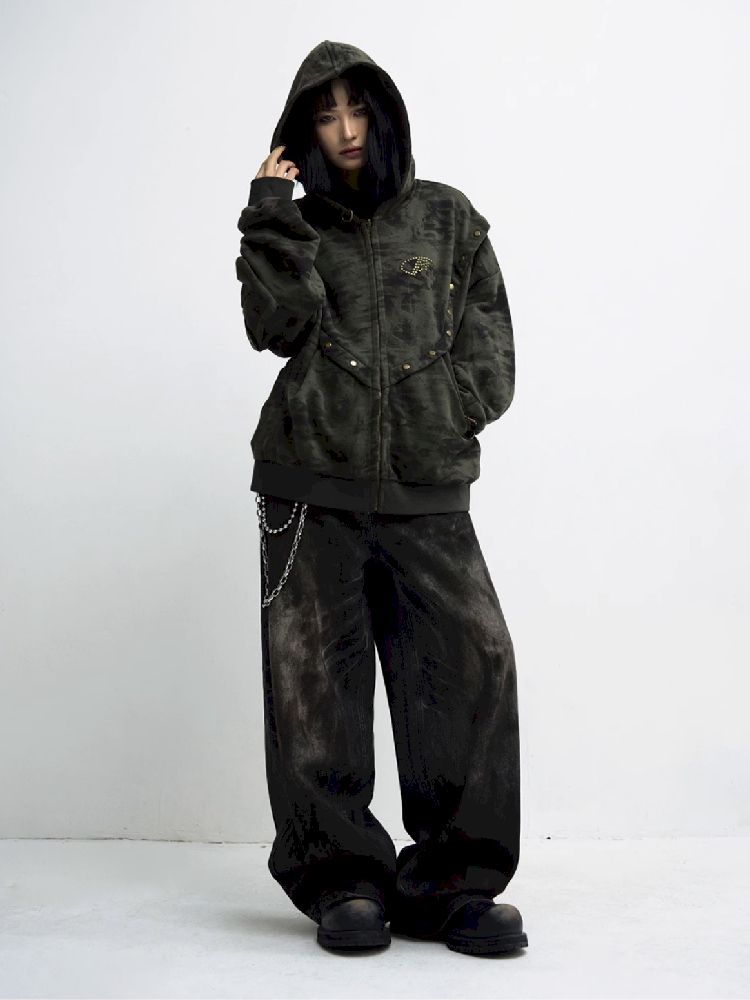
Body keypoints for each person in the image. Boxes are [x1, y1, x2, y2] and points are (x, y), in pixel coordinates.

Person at [235, 39, 528, 957]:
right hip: (306, 488)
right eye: (325, 116)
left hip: (426, 487)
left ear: (385, 114)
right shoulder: (293, 225)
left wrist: (452, 410)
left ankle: (454, 885)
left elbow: (491, 341)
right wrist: (270, 215)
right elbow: (274, 326)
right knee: (314, 689)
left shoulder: (448, 218)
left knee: (472, 665)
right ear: (304, 132)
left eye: (358, 109)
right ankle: (342, 881)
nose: (346, 130)